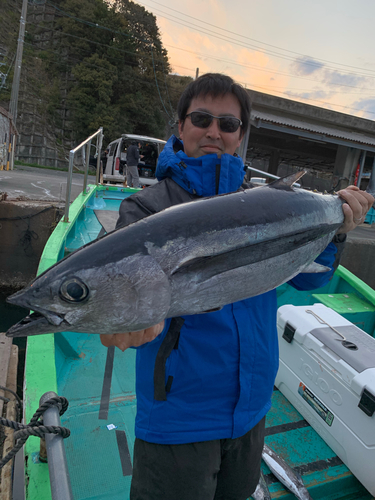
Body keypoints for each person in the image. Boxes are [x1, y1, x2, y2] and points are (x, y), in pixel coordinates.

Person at [100, 73, 374, 500]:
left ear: (240, 135)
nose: (214, 131)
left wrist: (337, 230)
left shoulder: (271, 202)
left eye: (228, 124)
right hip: (179, 417)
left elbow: (306, 278)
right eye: (202, 118)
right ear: (180, 127)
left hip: (252, 409)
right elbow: (127, 291)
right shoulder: (147, 208)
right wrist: (123, 322)